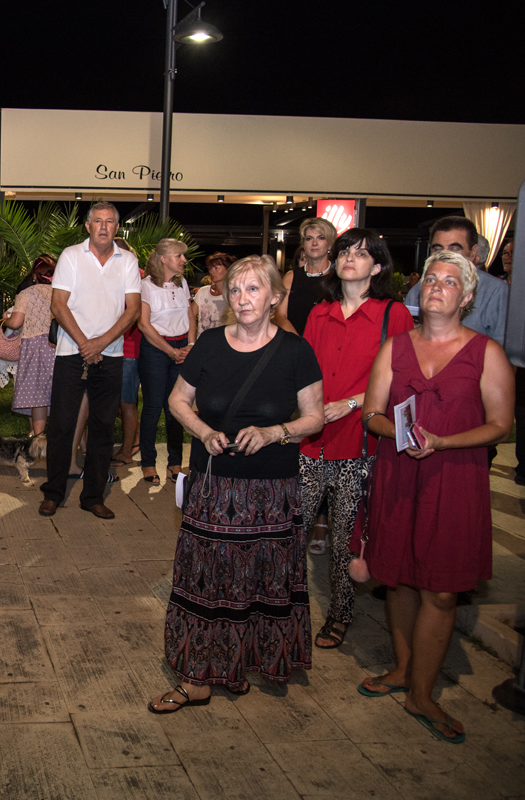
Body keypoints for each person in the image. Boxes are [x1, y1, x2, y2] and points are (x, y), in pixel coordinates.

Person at [148, 254, 324, 711]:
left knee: (259, 583)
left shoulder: (295, 351)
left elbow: (314, 417)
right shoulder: (208, 344)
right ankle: (197, 679)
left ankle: (239, 665)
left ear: (275, 297)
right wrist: (204, 432)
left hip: (271, 493)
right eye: (237, 290)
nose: (242, 299)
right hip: (215, 486)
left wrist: (273, 432)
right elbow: (177, 401)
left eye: (253, 289)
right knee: (206, 583)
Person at [357, 250, 514, 744]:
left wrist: (443, 441)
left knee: (442, 589)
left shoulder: (486, 352)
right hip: (399, 473)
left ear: (466, 297)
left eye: (450, 281)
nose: (437, 286)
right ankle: (404, 671)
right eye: (430, 278)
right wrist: (395, 433)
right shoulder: (394, 348)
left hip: (456, 478)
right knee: (399, 577)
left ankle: (423, 692)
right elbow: (371, 413)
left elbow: (500, 424)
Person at [298, 229, 413, 649]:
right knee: (293, 529)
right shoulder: (319, 313)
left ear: (377, 266)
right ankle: (283, 608)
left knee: (348, 537)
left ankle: (340, 615)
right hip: (312, 443)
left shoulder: (393, 315)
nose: (350, 258)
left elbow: (402, 379)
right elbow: (304, 375)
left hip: (359, 446)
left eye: (362, 254)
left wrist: (350, 403)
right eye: (345, 251)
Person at [38, 203, 141, 520]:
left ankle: (93, 496)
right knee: (61, 426)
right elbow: (58, 304)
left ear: (117, 227)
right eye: (98, 221)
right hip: (72, 354)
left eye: (110, 222)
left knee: (103, 428)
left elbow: (133, 310)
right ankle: (53, 493)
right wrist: (86, 344)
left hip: (110, 357)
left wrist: (100, 343)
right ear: (87, 226)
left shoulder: (128, 261)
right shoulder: (71, 256)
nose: (104, 226)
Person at [137, 238, 195, 485]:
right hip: (156, 351)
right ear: (163, 259)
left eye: (183, 256)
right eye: (178, 255)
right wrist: (170, 351)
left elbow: (191, 315)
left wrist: (190, 346)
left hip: (183, 348)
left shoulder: (182, 284)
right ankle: (148, 463)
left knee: (177, 407)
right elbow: (143, 324)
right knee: (152, 408)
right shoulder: (146, 286)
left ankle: (175, 462)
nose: (184, 260)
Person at [404, 216, 508, 347]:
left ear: (473, 252)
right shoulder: (418, 291)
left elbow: (506, 354)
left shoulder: (495, 291)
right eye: (438, 249)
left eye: (454, 250)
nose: (446, 256)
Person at [3, 255, 57, 435]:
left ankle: (38, 438)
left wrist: (6, 320)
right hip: (56, 346)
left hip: (34, 347)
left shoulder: (26, 294)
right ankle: (77, 442)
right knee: (54, 392)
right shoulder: (59, 293)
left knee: (37, 395)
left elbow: (16, 322)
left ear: (35, 274)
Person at [278, 217, 337, 334]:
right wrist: (300, 345)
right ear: (304, 245)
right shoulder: (291, 277)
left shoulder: (338, 278)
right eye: (309, 238)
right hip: (293, 344)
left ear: (330, 245)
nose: (314, 243)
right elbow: (280, 316)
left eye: (321, 238)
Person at [192, 251, 234, 335]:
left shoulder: (234, 294)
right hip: (203, 342)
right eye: (210, 268)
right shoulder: (203, 292)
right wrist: (192, 341)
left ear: (228, 269)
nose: (211, 271)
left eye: (216, 268)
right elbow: (190, 315)